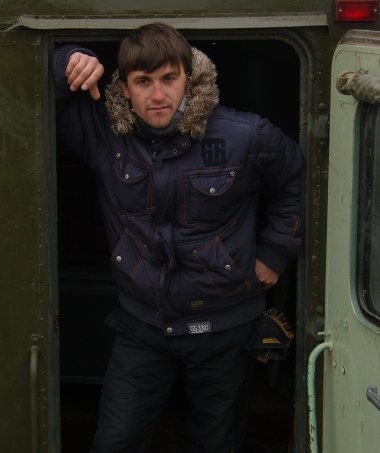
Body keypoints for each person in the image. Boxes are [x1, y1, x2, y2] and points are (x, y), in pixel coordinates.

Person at [53, 23, 302, 452]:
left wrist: (275, 251)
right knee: (115, 442)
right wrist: (68, 60)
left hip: (223, 326)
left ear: (189, 76)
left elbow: (296, 180)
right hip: (143, 325)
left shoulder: (244, 134)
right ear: (124, 88)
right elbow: (37, 89)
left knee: (217, 444)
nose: (157, 94)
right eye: (143, 82)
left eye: (169, 78)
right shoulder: (106, 136)